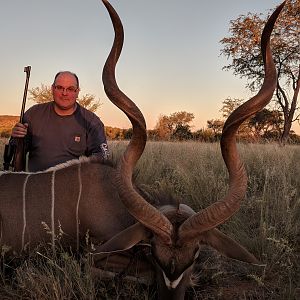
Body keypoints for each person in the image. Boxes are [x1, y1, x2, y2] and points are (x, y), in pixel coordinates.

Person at [10, 71, 109, 172]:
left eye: (70, 89)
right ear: (52, 89)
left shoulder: (92, 121)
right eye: (60, 87)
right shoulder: (33, 114)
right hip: (35, 184)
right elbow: (17, 150)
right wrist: (15, 137)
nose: (64, 93)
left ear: (77, 92)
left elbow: (102, 156)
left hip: (73, 184)